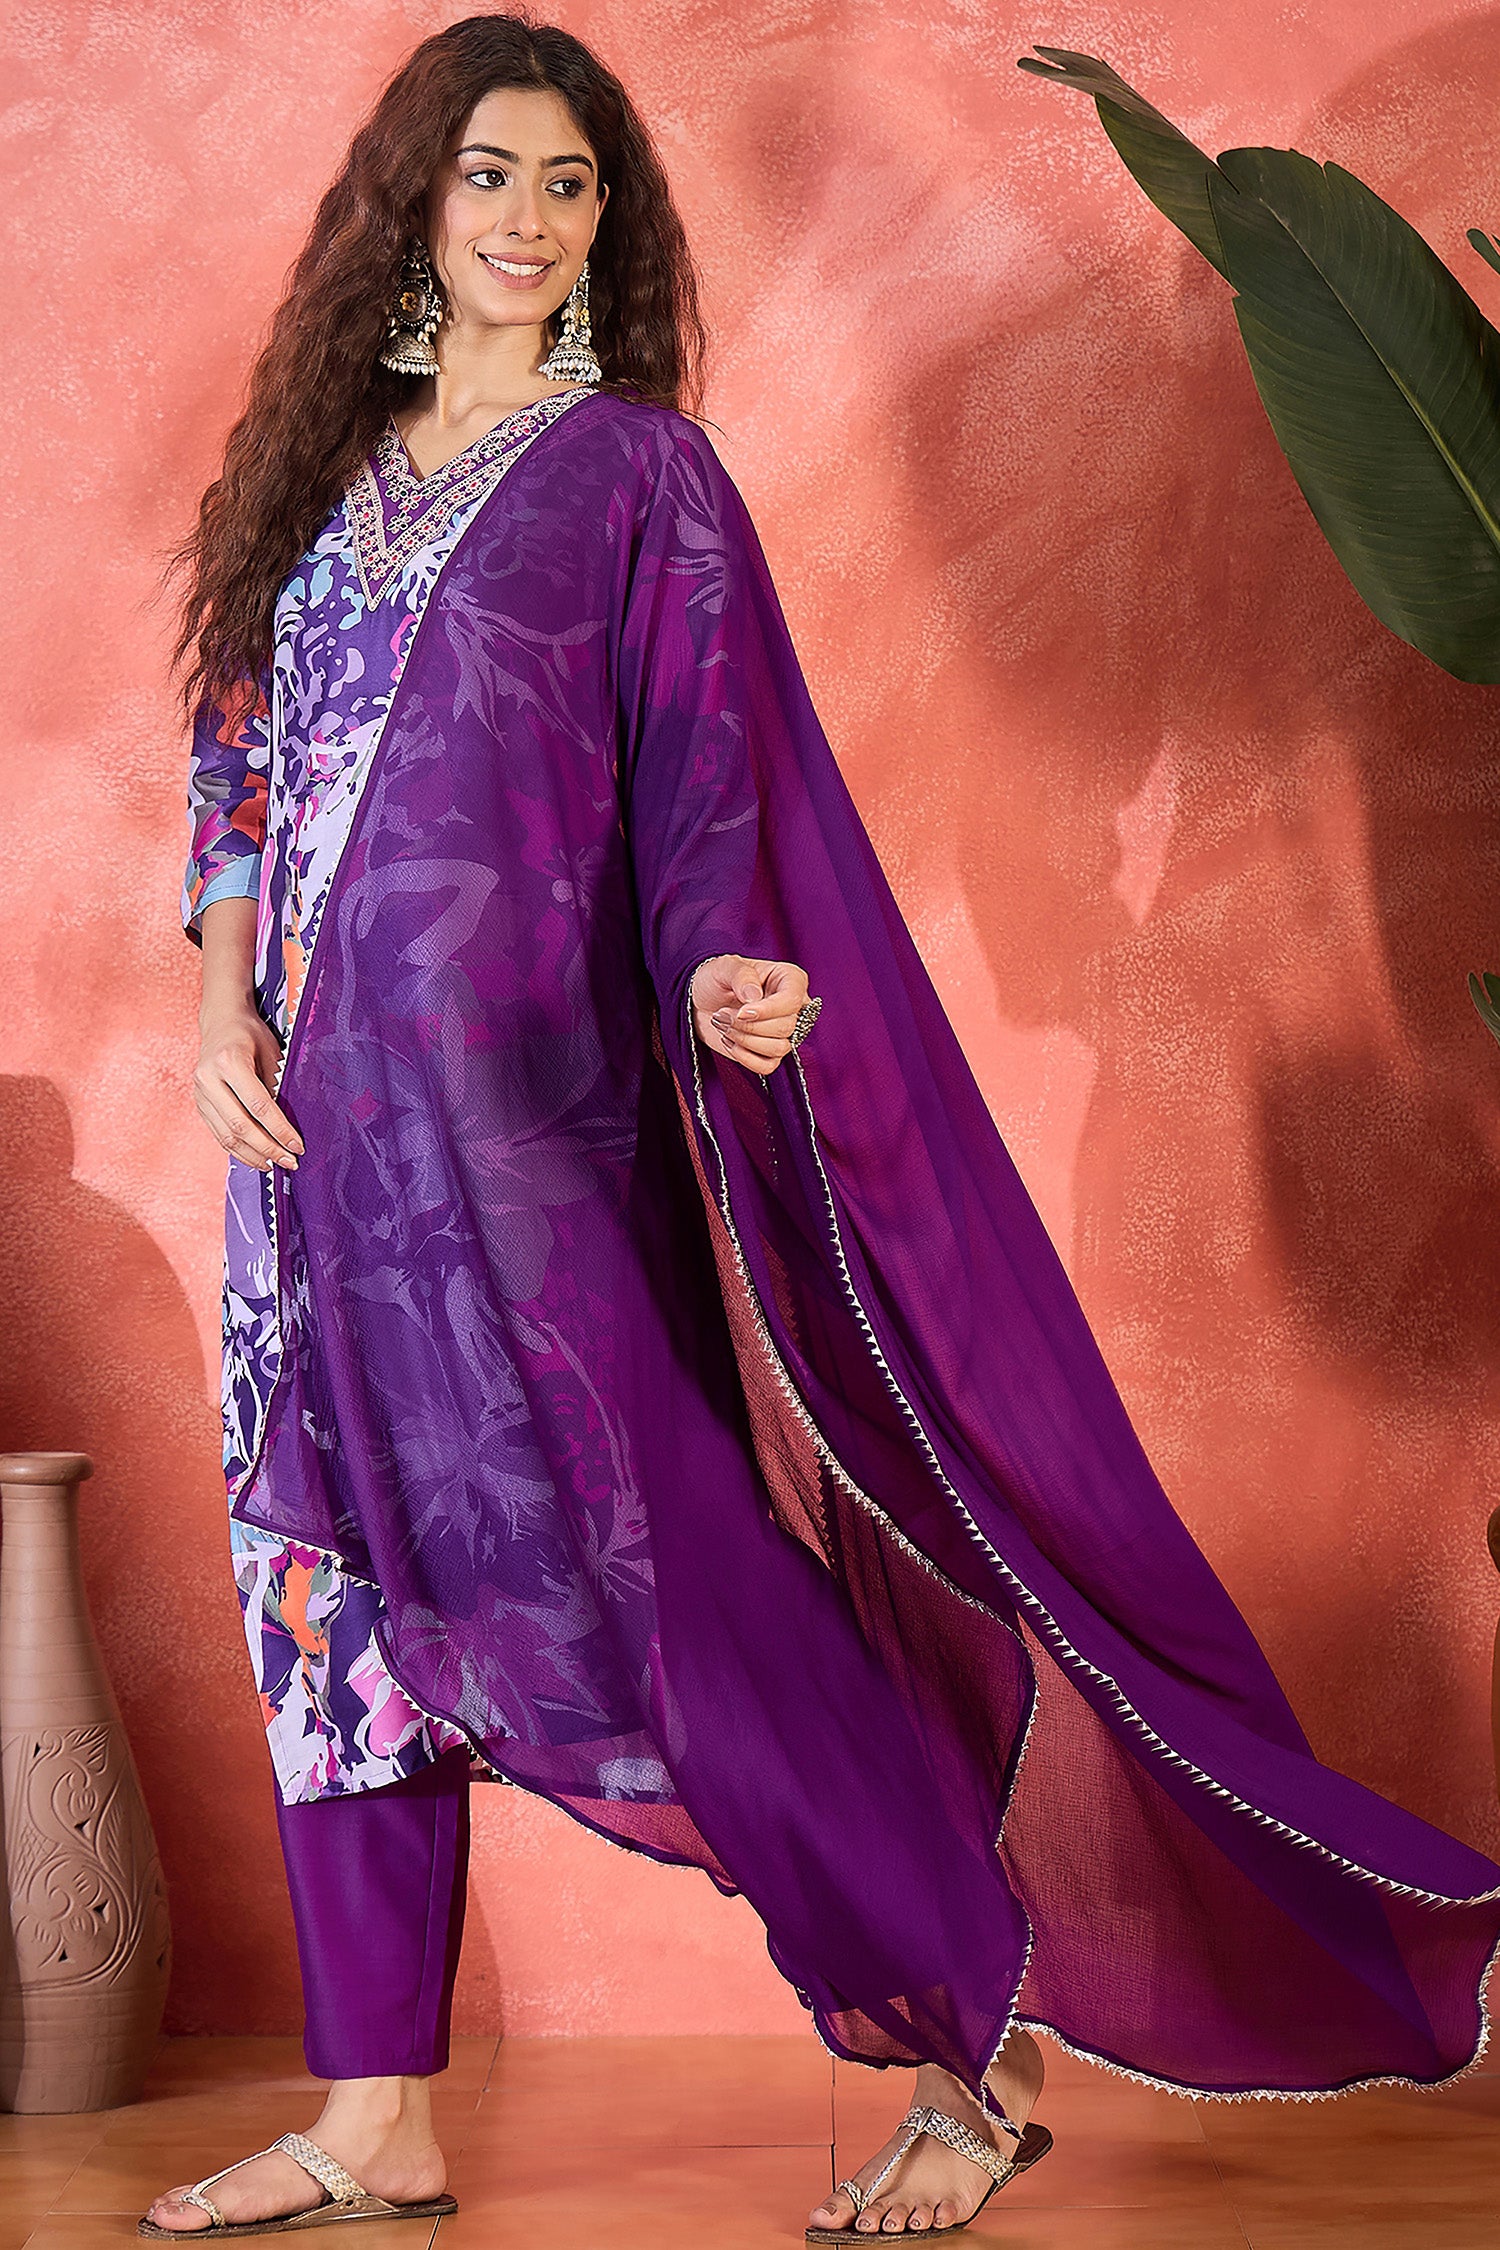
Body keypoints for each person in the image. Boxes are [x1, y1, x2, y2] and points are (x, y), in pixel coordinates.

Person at [145, 14, 1500, 2241]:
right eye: (488, 174)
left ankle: (968, 2048)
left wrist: (715, 977)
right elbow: (234, 761)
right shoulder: (318, 484)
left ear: (608, 223)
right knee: (322, 1604)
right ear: (412, 200)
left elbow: (707, 785)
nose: (527, 219)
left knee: (665, 1591)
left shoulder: (637, 477)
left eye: (570, 182)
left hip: (520, 1138)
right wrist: (220, 998)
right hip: (303, 1158)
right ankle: (376, 2117)